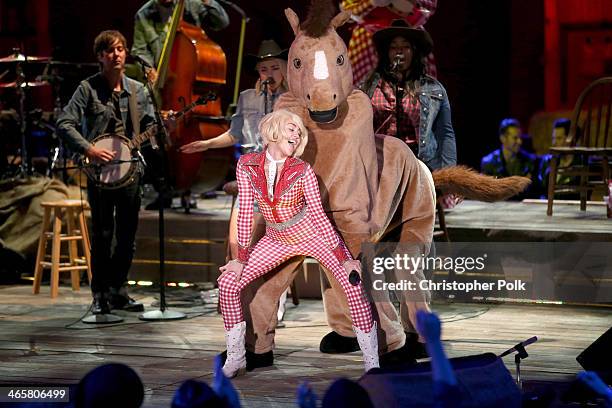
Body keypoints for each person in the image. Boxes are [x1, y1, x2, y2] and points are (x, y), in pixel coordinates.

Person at [217, 109, 379, 378]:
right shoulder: (246, 165)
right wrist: (240, 259)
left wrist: (344, 258)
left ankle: (372, 362)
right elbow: (245, 212)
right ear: (273, 130)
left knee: (353, 283)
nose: (297, 133)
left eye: (300, 131)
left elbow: (318, 216)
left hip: (311, 234)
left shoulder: (303, 170)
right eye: (291, 128)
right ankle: (236, 357)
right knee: (228, 283)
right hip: (276, 238)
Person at [181, 39, 295, 327]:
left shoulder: (292, 98)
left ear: (284, 69)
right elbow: (234, 134)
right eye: (263, 68)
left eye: (274, 67)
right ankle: (243, 299)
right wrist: (206, 144)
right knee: (238, 240)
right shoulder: (247, 97)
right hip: (250, 173)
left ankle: (274, 304)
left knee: (276, 242)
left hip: (280, 174)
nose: (268, 73)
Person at [56, 30, 156, 314]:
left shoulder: (137, 90)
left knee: (127, 235)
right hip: (99, 173)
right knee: (101, 234)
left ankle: (119, 291)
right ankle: (100, 294)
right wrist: (89, 149)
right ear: (100, 56)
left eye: (121, 49)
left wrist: (165, 126)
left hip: (130, 172)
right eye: (110, 50)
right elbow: (64, 123)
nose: (117, 54)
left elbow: (149, 125)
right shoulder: (87, 89)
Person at [361, 19, 456, 171]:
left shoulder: (434, 90)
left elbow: (445, 135)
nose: (399, 51)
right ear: (386, 53)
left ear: (414, 52)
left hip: (420, 167)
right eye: (394, 47)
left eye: (405, 46)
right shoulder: (368, 88)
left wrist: (449, 177)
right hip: (379, 166)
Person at [132, 0, 229, 83]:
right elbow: (140, 51)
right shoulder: (143, 14)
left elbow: (221, 23)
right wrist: (149, 70)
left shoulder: (192, 4)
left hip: (191, 77)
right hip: (162, 81)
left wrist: (207, 1)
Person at [481, 118, 543, 199]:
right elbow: (487, 192)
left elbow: (535, 192)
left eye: (520, 137)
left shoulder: (530, 161)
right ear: (503, 138)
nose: (520, 141)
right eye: (515, 138)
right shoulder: (489, 163)